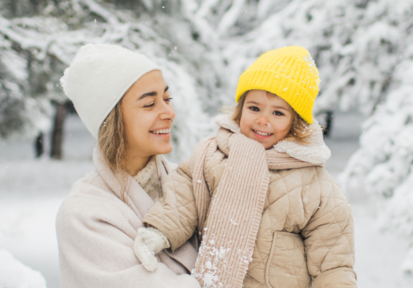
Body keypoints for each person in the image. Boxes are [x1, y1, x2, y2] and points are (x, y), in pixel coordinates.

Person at [136, 46, 358, 288]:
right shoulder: (214, 156)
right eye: (254, 108)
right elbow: (182, 198)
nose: (263, 119)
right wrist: (159, 232)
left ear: (296, 123)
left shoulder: (314, 184)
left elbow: (332, 262)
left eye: (278, 112)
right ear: (240, 109)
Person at [55, 44, 200, 288]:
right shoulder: (84, 215)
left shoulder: (193, 183)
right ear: (112, 120)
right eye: (149, 104)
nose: (169, 112)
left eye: (167, 99)